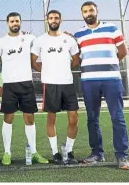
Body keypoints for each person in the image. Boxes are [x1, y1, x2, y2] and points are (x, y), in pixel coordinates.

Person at [73, 1, 129, 169]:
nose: (88, 13)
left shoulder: (112, 29)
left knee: (117, 117)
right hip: (88, 81)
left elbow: (123, 52)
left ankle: (122, 156)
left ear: (97, 11)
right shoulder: (79, 35)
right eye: (85, 11)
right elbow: (77, 58)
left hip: (111, 80)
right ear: (82, 14)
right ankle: (97, 153)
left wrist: (108, 66)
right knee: (92, 119)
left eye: (91, 10)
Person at [0, 12, 49, 166]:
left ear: (20, 22)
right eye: (12, 21)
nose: (14, 23)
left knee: (29, 118)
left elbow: (44, 44)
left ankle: (34, 151)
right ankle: (7, 152)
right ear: (7, 23)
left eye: (17, 21)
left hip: (26, 84)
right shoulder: (0, 42)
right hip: (9, 85)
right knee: (8, 118)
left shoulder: (30, 39)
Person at [31, 10, 81, 165]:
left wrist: (65, 67)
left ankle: (69, 150)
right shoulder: (40, 40)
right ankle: (55, 153)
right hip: (50, 84)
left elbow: (76, 59)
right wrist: (46, 71)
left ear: (61, 19)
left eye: (56, 18)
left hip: (67, 83)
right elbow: (33, 61)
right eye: (51, 18)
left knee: (73, 119)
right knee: (51, 118)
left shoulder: (69, 40)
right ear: (47, 20)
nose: (54, 20)